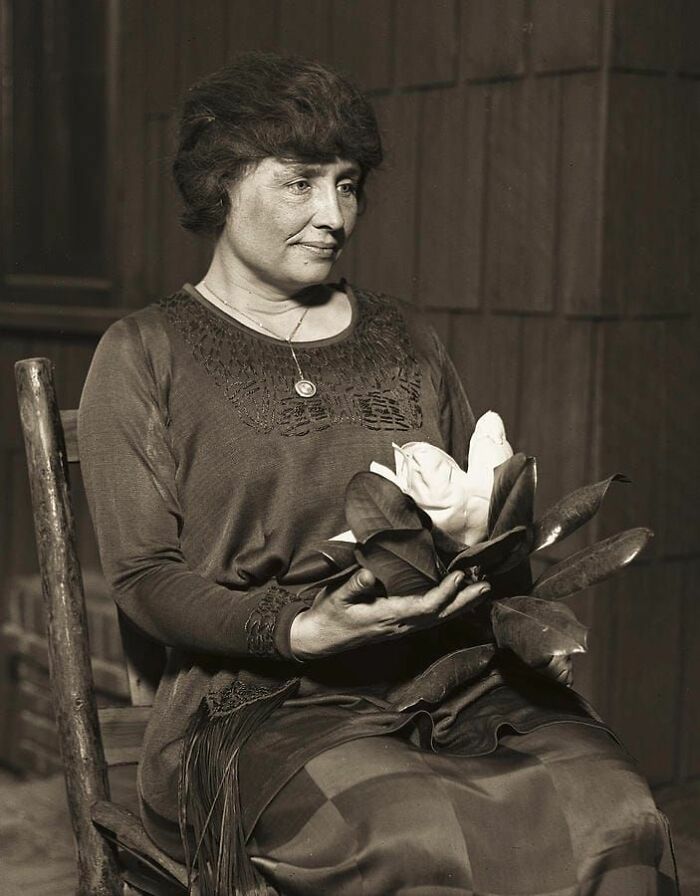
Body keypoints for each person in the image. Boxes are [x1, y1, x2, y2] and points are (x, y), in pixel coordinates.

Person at [79, 52, 677, 896]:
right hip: (258, 705)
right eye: (300, 183)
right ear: (220, 182)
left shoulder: (405, 338)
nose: (333, 215)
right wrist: (298, 630)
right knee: (410, 835)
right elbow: (143, 578)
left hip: (451, 681)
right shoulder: (147, 352)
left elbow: (487, 508)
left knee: (615, 810)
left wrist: (491, 553)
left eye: (349, 184)